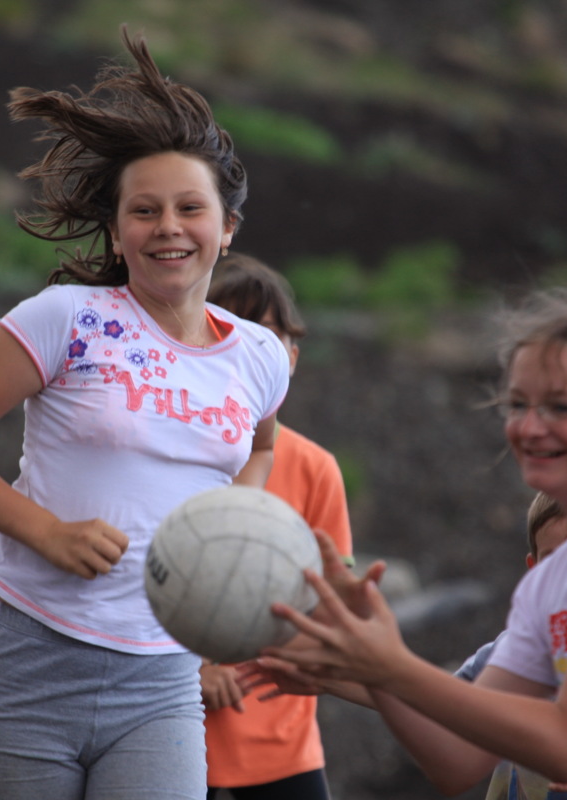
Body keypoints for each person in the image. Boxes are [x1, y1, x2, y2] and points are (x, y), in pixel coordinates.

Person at [0, 28, 291, 800]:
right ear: (117, 231)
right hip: (32, 664)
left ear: (228, 228)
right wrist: (44, 530)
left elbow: (263, 442)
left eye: (190, 208)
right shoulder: (65, 318)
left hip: (163, 678)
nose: (168, 227)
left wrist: (228, 532)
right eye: (144, 211)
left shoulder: (260, 355)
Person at [253, 287, 567, 800]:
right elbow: (458, 760)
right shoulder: (551, 581)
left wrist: (391, 665)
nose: (529, 426)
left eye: (560, 406)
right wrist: (370, 666)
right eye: (518, 404)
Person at [200, 252, 355, 800]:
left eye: (264, 336)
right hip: (173, 735)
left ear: (291, 355)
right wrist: (194, 669)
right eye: (227, 329)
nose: (246, 348)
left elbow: (332, 597)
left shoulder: (315, 467)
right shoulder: (173, 454)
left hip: (282, 744)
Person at [455, 492, 567, 800]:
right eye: (552, 558)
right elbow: (437, 701)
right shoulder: (513, 650)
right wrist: (349, 675)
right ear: (534, 568)